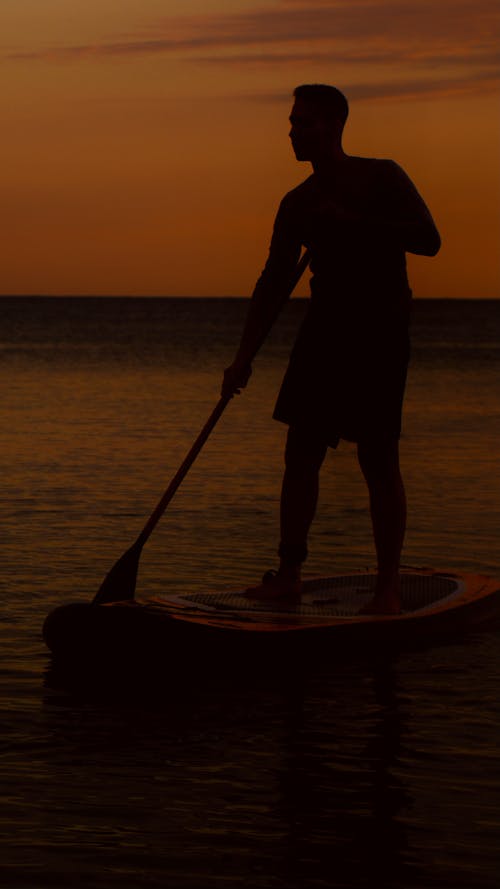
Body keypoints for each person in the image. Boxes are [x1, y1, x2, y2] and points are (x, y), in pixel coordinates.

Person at [221, 84, 441, 614]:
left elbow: (428, 239)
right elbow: (273, 281)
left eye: (305, 123)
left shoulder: (382, 176)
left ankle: (387, 586)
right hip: (323, 332)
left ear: (335, 125)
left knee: (378, 457)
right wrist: (242, 358)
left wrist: (358, 224)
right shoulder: (297, 203)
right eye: (293, 122)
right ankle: (289, 572)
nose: (294, 132)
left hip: (380, 333)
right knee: (300, 453)